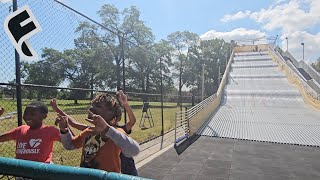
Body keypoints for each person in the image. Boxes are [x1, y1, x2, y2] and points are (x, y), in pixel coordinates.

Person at [51, 90, 140, 173]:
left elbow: (134, 150)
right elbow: (69, 145)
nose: (91, 107)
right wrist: (64, 130)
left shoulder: (116, 133)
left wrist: (106, 129)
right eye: (92, 104)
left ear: (111, 113)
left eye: (98, 106)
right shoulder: (89, 131)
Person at [0, 102, 73, 163]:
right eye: (25, 113)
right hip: (21, 173)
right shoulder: (20, 130)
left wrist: (64, 129)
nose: (27, 117)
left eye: (32, 114)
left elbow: (72, 143)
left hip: (41, 172)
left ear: (44, 116)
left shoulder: (50, 131)